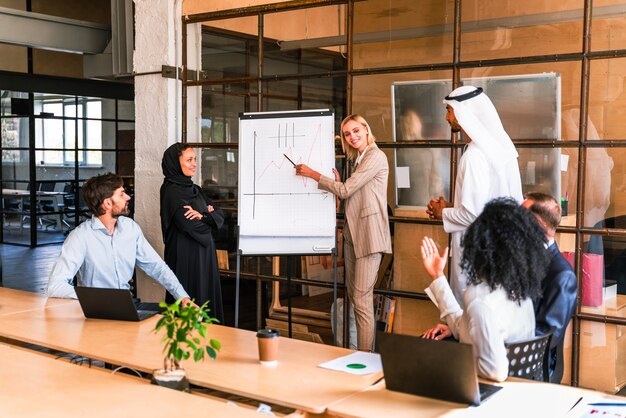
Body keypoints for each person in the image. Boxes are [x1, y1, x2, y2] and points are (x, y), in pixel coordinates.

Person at [421, 198, 549, 382]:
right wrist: (437, 275)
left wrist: (454, 361)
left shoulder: (480, 299)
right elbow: (464, 328)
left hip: (490, 396)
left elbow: (495, 371)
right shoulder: (520, 290)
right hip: (522, 392)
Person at [295, 114, 392, 351]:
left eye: (356, 131)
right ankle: (356, 351)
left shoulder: (375, 156)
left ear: (367, 130)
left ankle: (365, 356)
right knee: (353, 299)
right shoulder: (360, 159)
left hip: (369, 237)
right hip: (353, 236)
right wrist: (338, 185)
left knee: (361, 300)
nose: (353, 136)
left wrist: (314, 174)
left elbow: (348, 190)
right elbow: (354, 194)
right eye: (347, 134)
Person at [427, 85, 523, 306]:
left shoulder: (474, 156)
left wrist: (444, 212)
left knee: (469, 319)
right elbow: (488, 203)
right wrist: (454, 205)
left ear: (464, 113)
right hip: (499, 249)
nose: (446, 117)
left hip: (476, 252)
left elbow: (473, 214)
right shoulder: (500, 146)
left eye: (450, 111)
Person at [46, 173, 192, 306]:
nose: (128, 197)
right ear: (107, 203)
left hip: (128, 305)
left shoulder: (131, 228)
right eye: (122, 194)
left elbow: (157, 267)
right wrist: (92, 297)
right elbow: (55, 286)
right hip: (97, 311)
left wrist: (183, 297)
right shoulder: (80, 237)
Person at [160, 143, 225, 322]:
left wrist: (203, 216)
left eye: (195, 159)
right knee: (188, 298)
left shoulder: (195, 188)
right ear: (175, 163)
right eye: (189, 160)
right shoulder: (171, 191)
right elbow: (190, 226)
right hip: (184, 254)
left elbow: (219, 215)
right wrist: (209, 217)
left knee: (206, 300)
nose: (194, 164)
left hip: (203, 254)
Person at [522, 192, 577, 377]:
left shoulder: (563, 275)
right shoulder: (519, 259)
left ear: (537, 225)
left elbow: (546, 337)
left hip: (536, 366)